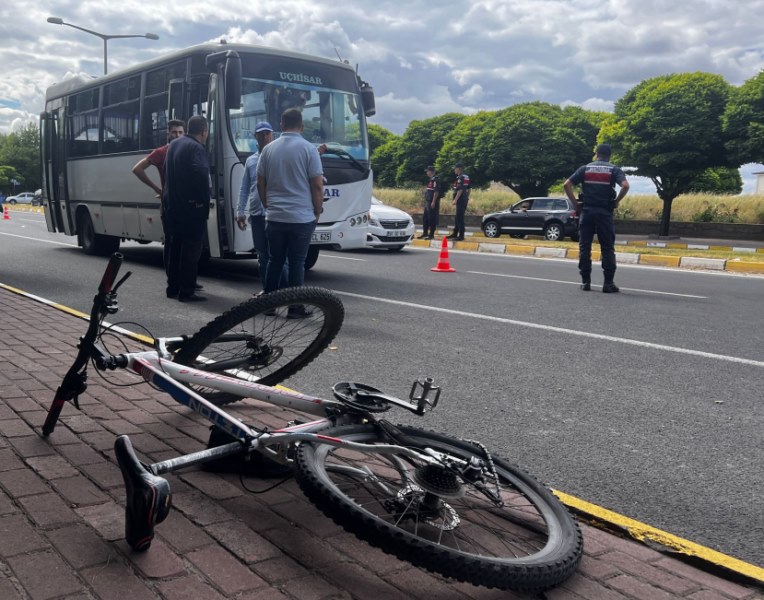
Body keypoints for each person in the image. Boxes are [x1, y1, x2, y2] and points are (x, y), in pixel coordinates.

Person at [256, 108, 323, 317]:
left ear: (281, 125)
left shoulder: (268, 150)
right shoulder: (309, 149)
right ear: (302, 127)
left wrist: (268, 205)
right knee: (296, 262)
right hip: (301, 217)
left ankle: (269, 305)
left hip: (275, 216)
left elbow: (260, 182)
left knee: (275, 261)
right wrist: (317, 210)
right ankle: (296, 307)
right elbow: (317, 185)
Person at [564, 143, 630, 293]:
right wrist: (616, 201)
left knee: (584, 247)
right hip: (604, 213)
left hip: (586, 212)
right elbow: (625, 186)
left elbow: (567, 185)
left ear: (596, 153)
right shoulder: (614, 169)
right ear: (609, 155)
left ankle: (586, 282)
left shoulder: (585, 168)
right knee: (607, 248)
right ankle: (608, 283)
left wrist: (576, 205)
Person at [163, 115, 211, 302]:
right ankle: (187, 290)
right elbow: (200, 173)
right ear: (203, 131)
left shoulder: (174, 144)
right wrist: (203, 200)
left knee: (175, 248)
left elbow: (167, 171)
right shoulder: (197, 148)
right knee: (191, 251)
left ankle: (172, 287)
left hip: (173, 205)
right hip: (192, 207)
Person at [235, 121, 287, 291]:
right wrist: (240, 211)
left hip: (276, 215)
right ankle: (268, 294)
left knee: (281, 257)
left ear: (272, 135)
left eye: (267, 134)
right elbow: (244, 189)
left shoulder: (280, 157)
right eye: (261, 134)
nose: (264, 137)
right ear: (255, 136)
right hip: (257, 215)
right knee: (263, 257)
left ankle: (286, 294)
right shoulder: (251, 161)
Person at [131, 119, 185, 272]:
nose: (177, 135)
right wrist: (157, 188)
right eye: (174, 132)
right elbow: (137, 169)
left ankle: (185, 278)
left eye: (181, 132)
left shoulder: (187, 150)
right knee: (171, 242)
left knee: (183, 243)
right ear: (168, 134)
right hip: (169, 204)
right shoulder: (161, 152)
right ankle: (172, 278)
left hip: (184, 203)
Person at [447, 162, 471, 240]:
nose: (454, 170)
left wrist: (455, 200)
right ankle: (455, 233)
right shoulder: (465, 177)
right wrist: (467, 197)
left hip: (460, 199)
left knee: (459, 217)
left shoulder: (461, 178)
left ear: (459, 169)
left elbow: (460, 190)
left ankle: (461, 235)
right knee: (458, 217)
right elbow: (469, 188)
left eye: (455, 168)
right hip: (463, 199)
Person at [418, 165, 441, 239]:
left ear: (431, 172)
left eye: (427, 171)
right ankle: (425, 233)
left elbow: (436, 192)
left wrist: (433, 201)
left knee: (432, 218)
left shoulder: (435, 180)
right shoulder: (430, 180)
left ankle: (431, 234)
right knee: (425, 218)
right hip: (428, 202)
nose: (427, 173)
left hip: (432, 202)